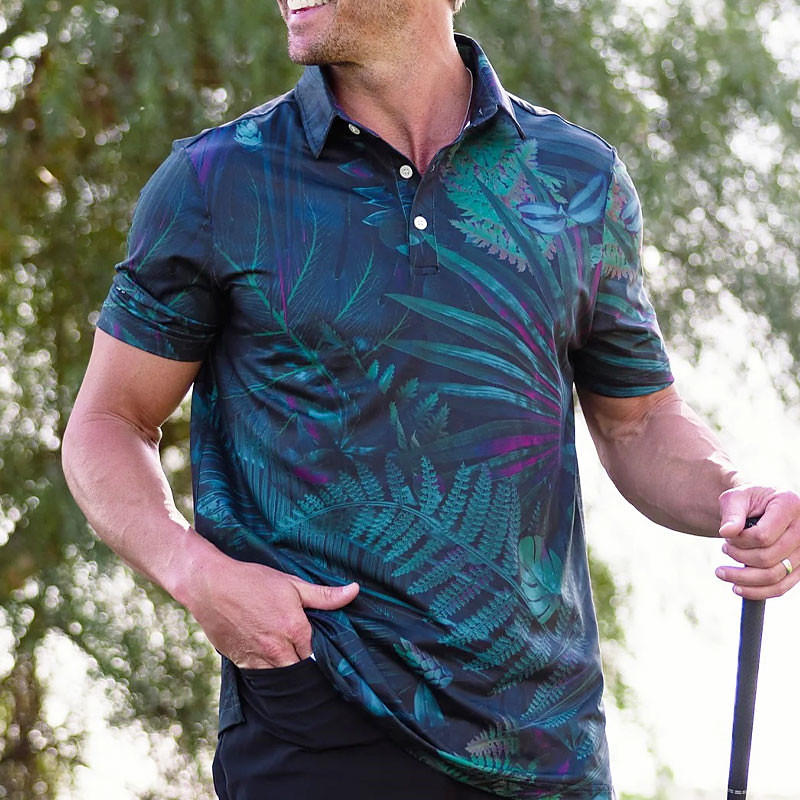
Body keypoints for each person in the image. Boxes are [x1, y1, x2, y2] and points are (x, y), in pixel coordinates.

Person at [61, 1, 800, 798]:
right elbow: (108, 421)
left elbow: (640, 421)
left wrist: (733, 495)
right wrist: (196, 574)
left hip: (548, 747)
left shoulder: (577, 178)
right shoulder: (216, 181)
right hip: (316, 717)